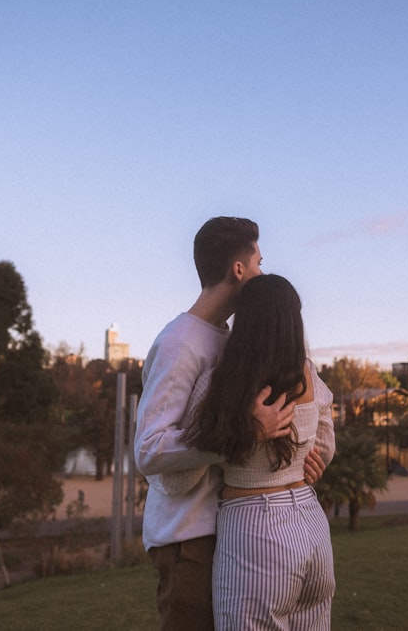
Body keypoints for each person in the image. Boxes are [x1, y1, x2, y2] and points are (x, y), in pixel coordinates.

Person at [134, 217, 326, 630]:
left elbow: (318, 404)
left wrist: (310, 456)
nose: (261, 272)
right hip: (189, 537)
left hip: (234, 528)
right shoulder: (179, 342)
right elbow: (149, 448)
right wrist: (240, 438)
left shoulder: (232, 339)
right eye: (258, 262)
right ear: (238, 269)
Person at [167, 274, 336, 630]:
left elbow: (177, 478)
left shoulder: (221, 383)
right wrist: (307, 463)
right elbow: (326, 446)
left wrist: (236, 438)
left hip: (256, 530)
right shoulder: (309, 376)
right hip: (312, 525)